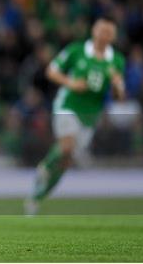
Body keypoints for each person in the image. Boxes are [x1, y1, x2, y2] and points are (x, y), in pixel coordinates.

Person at [25, 17, 126, 215]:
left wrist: (116, 85)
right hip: (68, 105)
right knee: (67, 145)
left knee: (66, 161)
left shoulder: (117, 60)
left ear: (113, 36)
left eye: (109, 31)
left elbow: (119, 96)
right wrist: (71, 83)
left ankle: (36, 197)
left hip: (90, 115)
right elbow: (51, 71)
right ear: (94, 31)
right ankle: (44, 166)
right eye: (102, 30)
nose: (104, 34)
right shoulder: (76, 51)